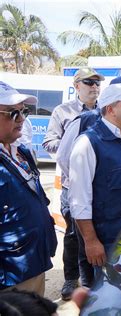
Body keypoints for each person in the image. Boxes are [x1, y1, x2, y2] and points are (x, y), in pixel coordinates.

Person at [68, 83, 121, 280]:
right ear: (110, 109)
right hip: (108, 243)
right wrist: (91, 241)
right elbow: (79, 200)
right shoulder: (88, 143)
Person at [43, 67, 104, 299]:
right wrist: (74, 148)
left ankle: (92, 281)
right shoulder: (63, 111)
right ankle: (71, 279)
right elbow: (49, 142)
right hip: (72, 185)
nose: (94, 87)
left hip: (99, 186)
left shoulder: (105, 111)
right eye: (89, 82)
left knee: (94, 231)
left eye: (97, 83)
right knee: (72, 233)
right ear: (77, 85)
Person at [0, 81, 57, 296]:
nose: (22, 119)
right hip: (10, 273)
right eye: (13, 113)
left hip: (33, 261)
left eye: (23, 111)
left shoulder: (21, 152)